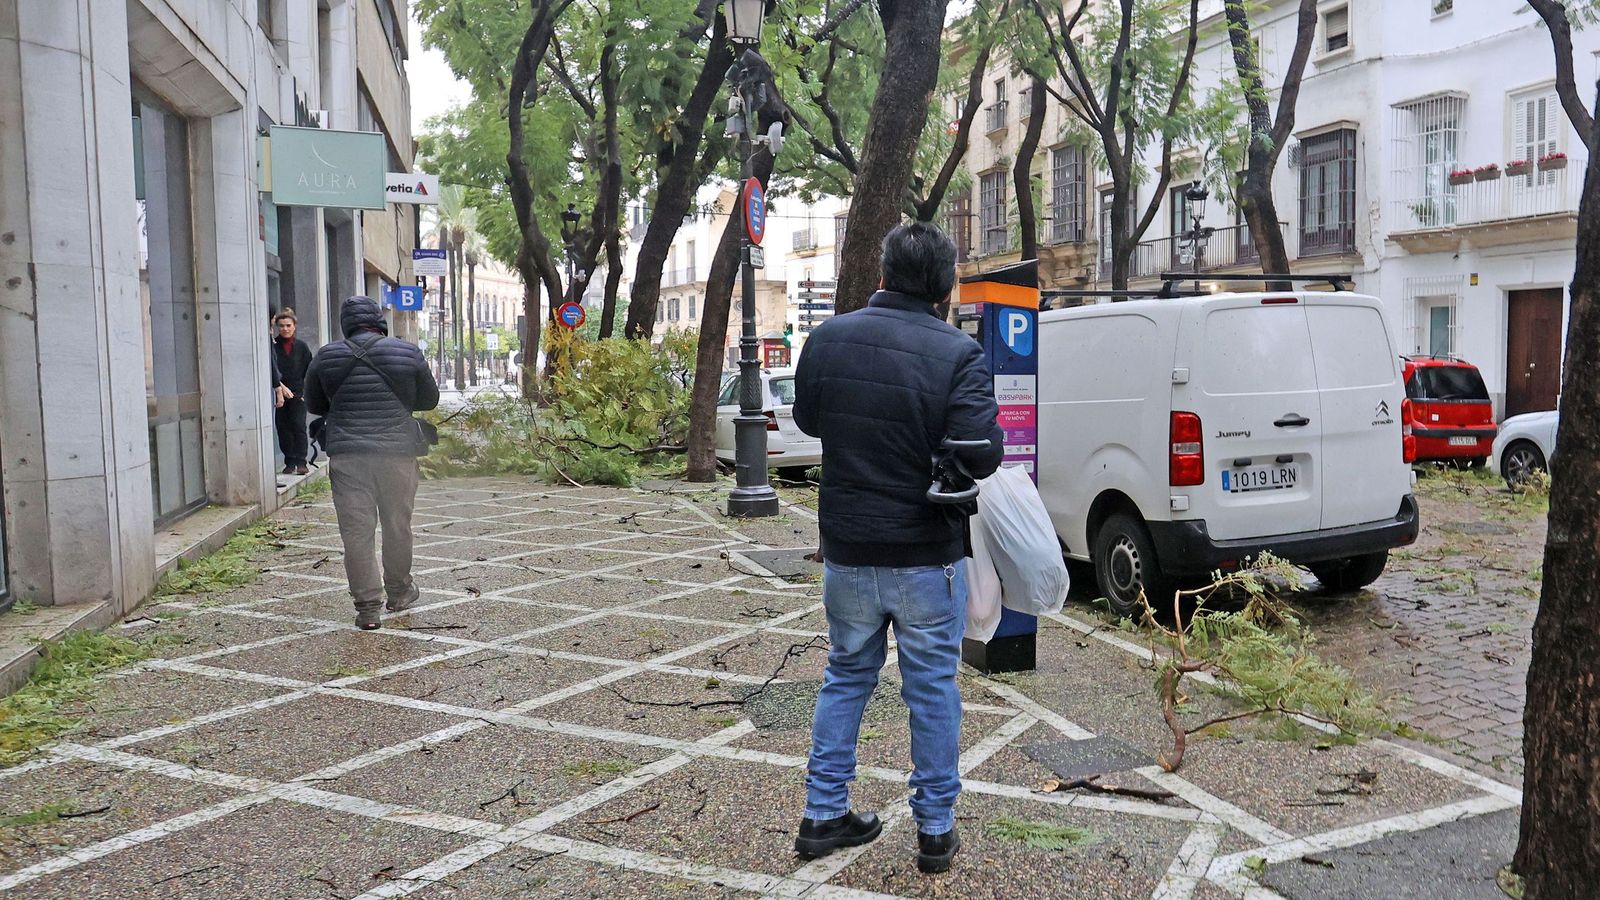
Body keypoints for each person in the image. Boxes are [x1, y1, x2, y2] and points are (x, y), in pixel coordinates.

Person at [791, 222, 1004, 874]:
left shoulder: (827, 339)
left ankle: (824, 815)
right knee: (932, 689)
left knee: (846, 676)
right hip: (925, 556)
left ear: (881, 275)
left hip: (849, 549)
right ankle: (936, 830)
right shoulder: (958, 354)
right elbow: (981, 453)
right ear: (945, 286)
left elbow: (807, 420)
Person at [304, 296, 440, 630]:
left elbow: (316, 403)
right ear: (379, 320)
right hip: (396, 455)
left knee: (356, 533)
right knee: (397, 525)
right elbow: (429, 399)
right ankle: (399, 592)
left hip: (349, 458)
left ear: (345, 323)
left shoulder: (326, 356)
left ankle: (367, 609)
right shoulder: (406, 352)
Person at [272, 309, 314, 475]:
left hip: (298, 394)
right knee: (283, 428)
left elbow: (310, 371)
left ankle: (301, 462)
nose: (285, 329)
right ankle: (289, 462)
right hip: (279, 393)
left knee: (298, 426)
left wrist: (306, 393)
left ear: (294, 327)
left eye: (288, 325)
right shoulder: (273, 346)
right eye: (281, 326)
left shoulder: (302, 347)